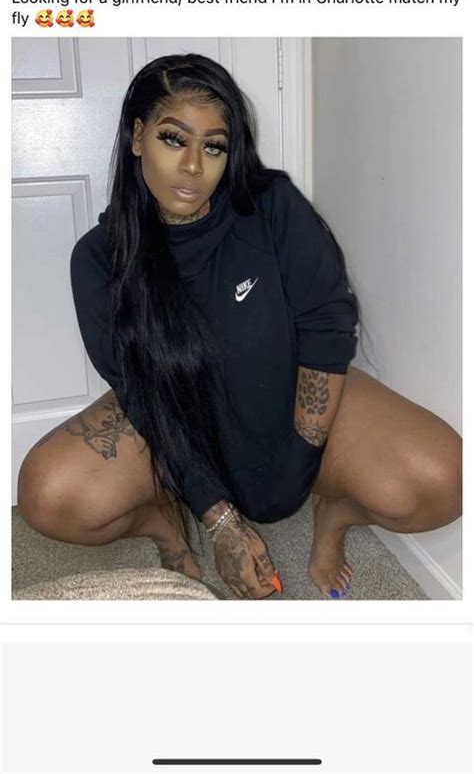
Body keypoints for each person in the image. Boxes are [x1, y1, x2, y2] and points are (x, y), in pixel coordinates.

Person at [17, 54, 462, 600]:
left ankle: (335, 510)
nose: (192, 166)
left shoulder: (271, 205)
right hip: (177, 414)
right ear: (137, 137)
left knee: (445, 479)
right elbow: (141, 392)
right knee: (48, 495)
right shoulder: (97, 259)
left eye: (214, 146)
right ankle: (165, 524)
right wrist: (219, 518)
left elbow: (326, 326)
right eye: (173, 139)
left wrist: (296, 467)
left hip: (289, 404)